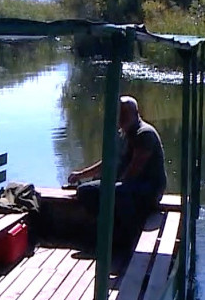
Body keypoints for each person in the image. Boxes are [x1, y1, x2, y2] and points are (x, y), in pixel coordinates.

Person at [67, 96, 166, 242]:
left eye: (125, 114)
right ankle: (109, 231)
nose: (120, 118)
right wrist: (81, 175)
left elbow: (133, 172)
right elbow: (108, 162)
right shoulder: (123, 133)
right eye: (119, 114)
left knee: (114, 192)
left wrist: (107, 185)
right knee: (85, 190)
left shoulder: (145, 134)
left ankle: (126, 235)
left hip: (148, 190)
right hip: (128, 187)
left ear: (136, 113)